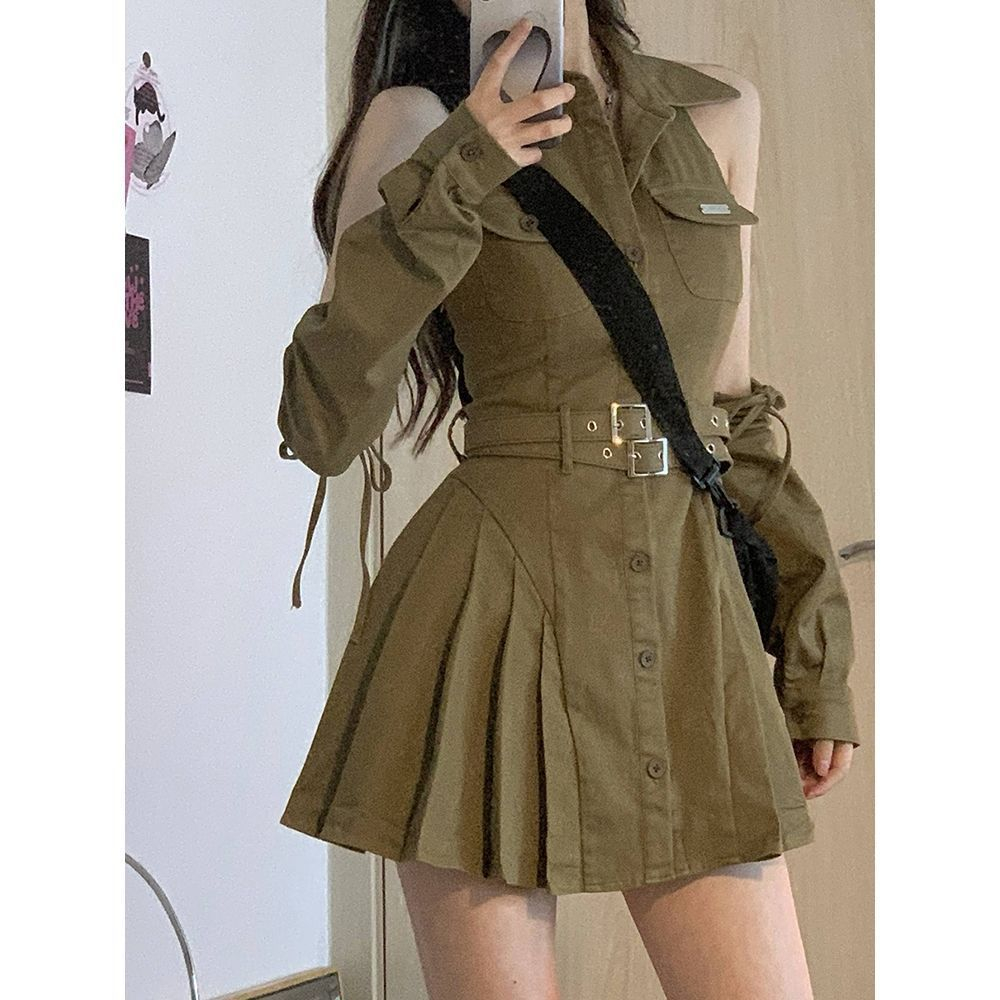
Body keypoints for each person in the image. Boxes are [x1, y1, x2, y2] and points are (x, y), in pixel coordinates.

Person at [276, 2, 862, 998]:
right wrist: (461, 164)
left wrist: (813, 647)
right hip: (492, 613)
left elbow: (729, 410)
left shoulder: (720, 113)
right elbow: (323, 421)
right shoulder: (417, 121)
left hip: (684, 609)